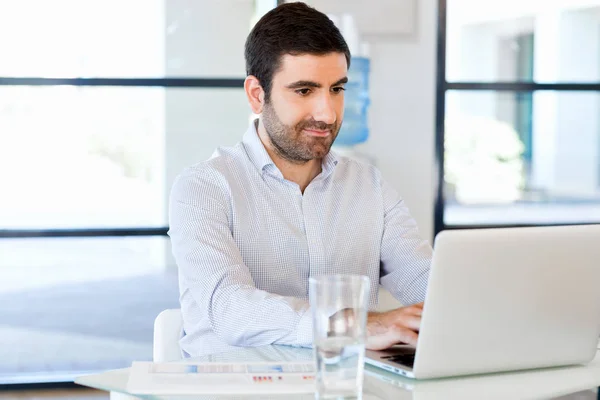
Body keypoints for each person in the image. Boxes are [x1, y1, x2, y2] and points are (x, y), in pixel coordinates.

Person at [168, 2, 432, 358]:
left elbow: (426, 283)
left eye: (337, 89)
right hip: (234, 388)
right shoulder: (203, 189)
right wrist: (355, 327)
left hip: (346, 387)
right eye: (305, 91)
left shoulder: (370, 186)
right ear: (257, 95)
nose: (326, 113)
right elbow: (231, 310)